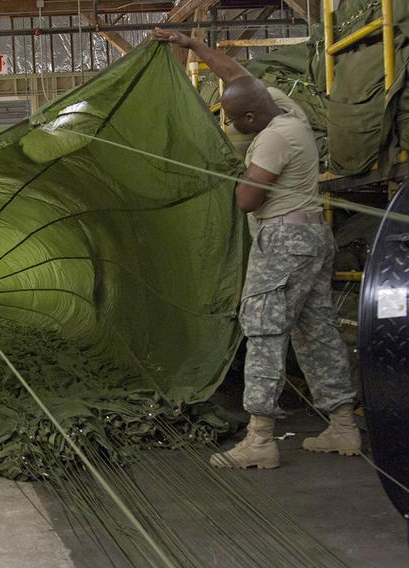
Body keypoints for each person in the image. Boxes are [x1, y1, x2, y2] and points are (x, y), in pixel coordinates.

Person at [153, 29, 360, 469]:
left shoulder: (270, 139)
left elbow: (248, 200)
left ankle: (261, 439)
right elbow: (237, 76)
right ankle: (343, 425)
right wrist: (192, 46)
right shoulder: (290, 113)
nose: (231, 126)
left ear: (250, 117)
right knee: (316, 329)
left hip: (283, 244)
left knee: (264, 333)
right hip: (313, 239)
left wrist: (231, 171)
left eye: (234, 121)